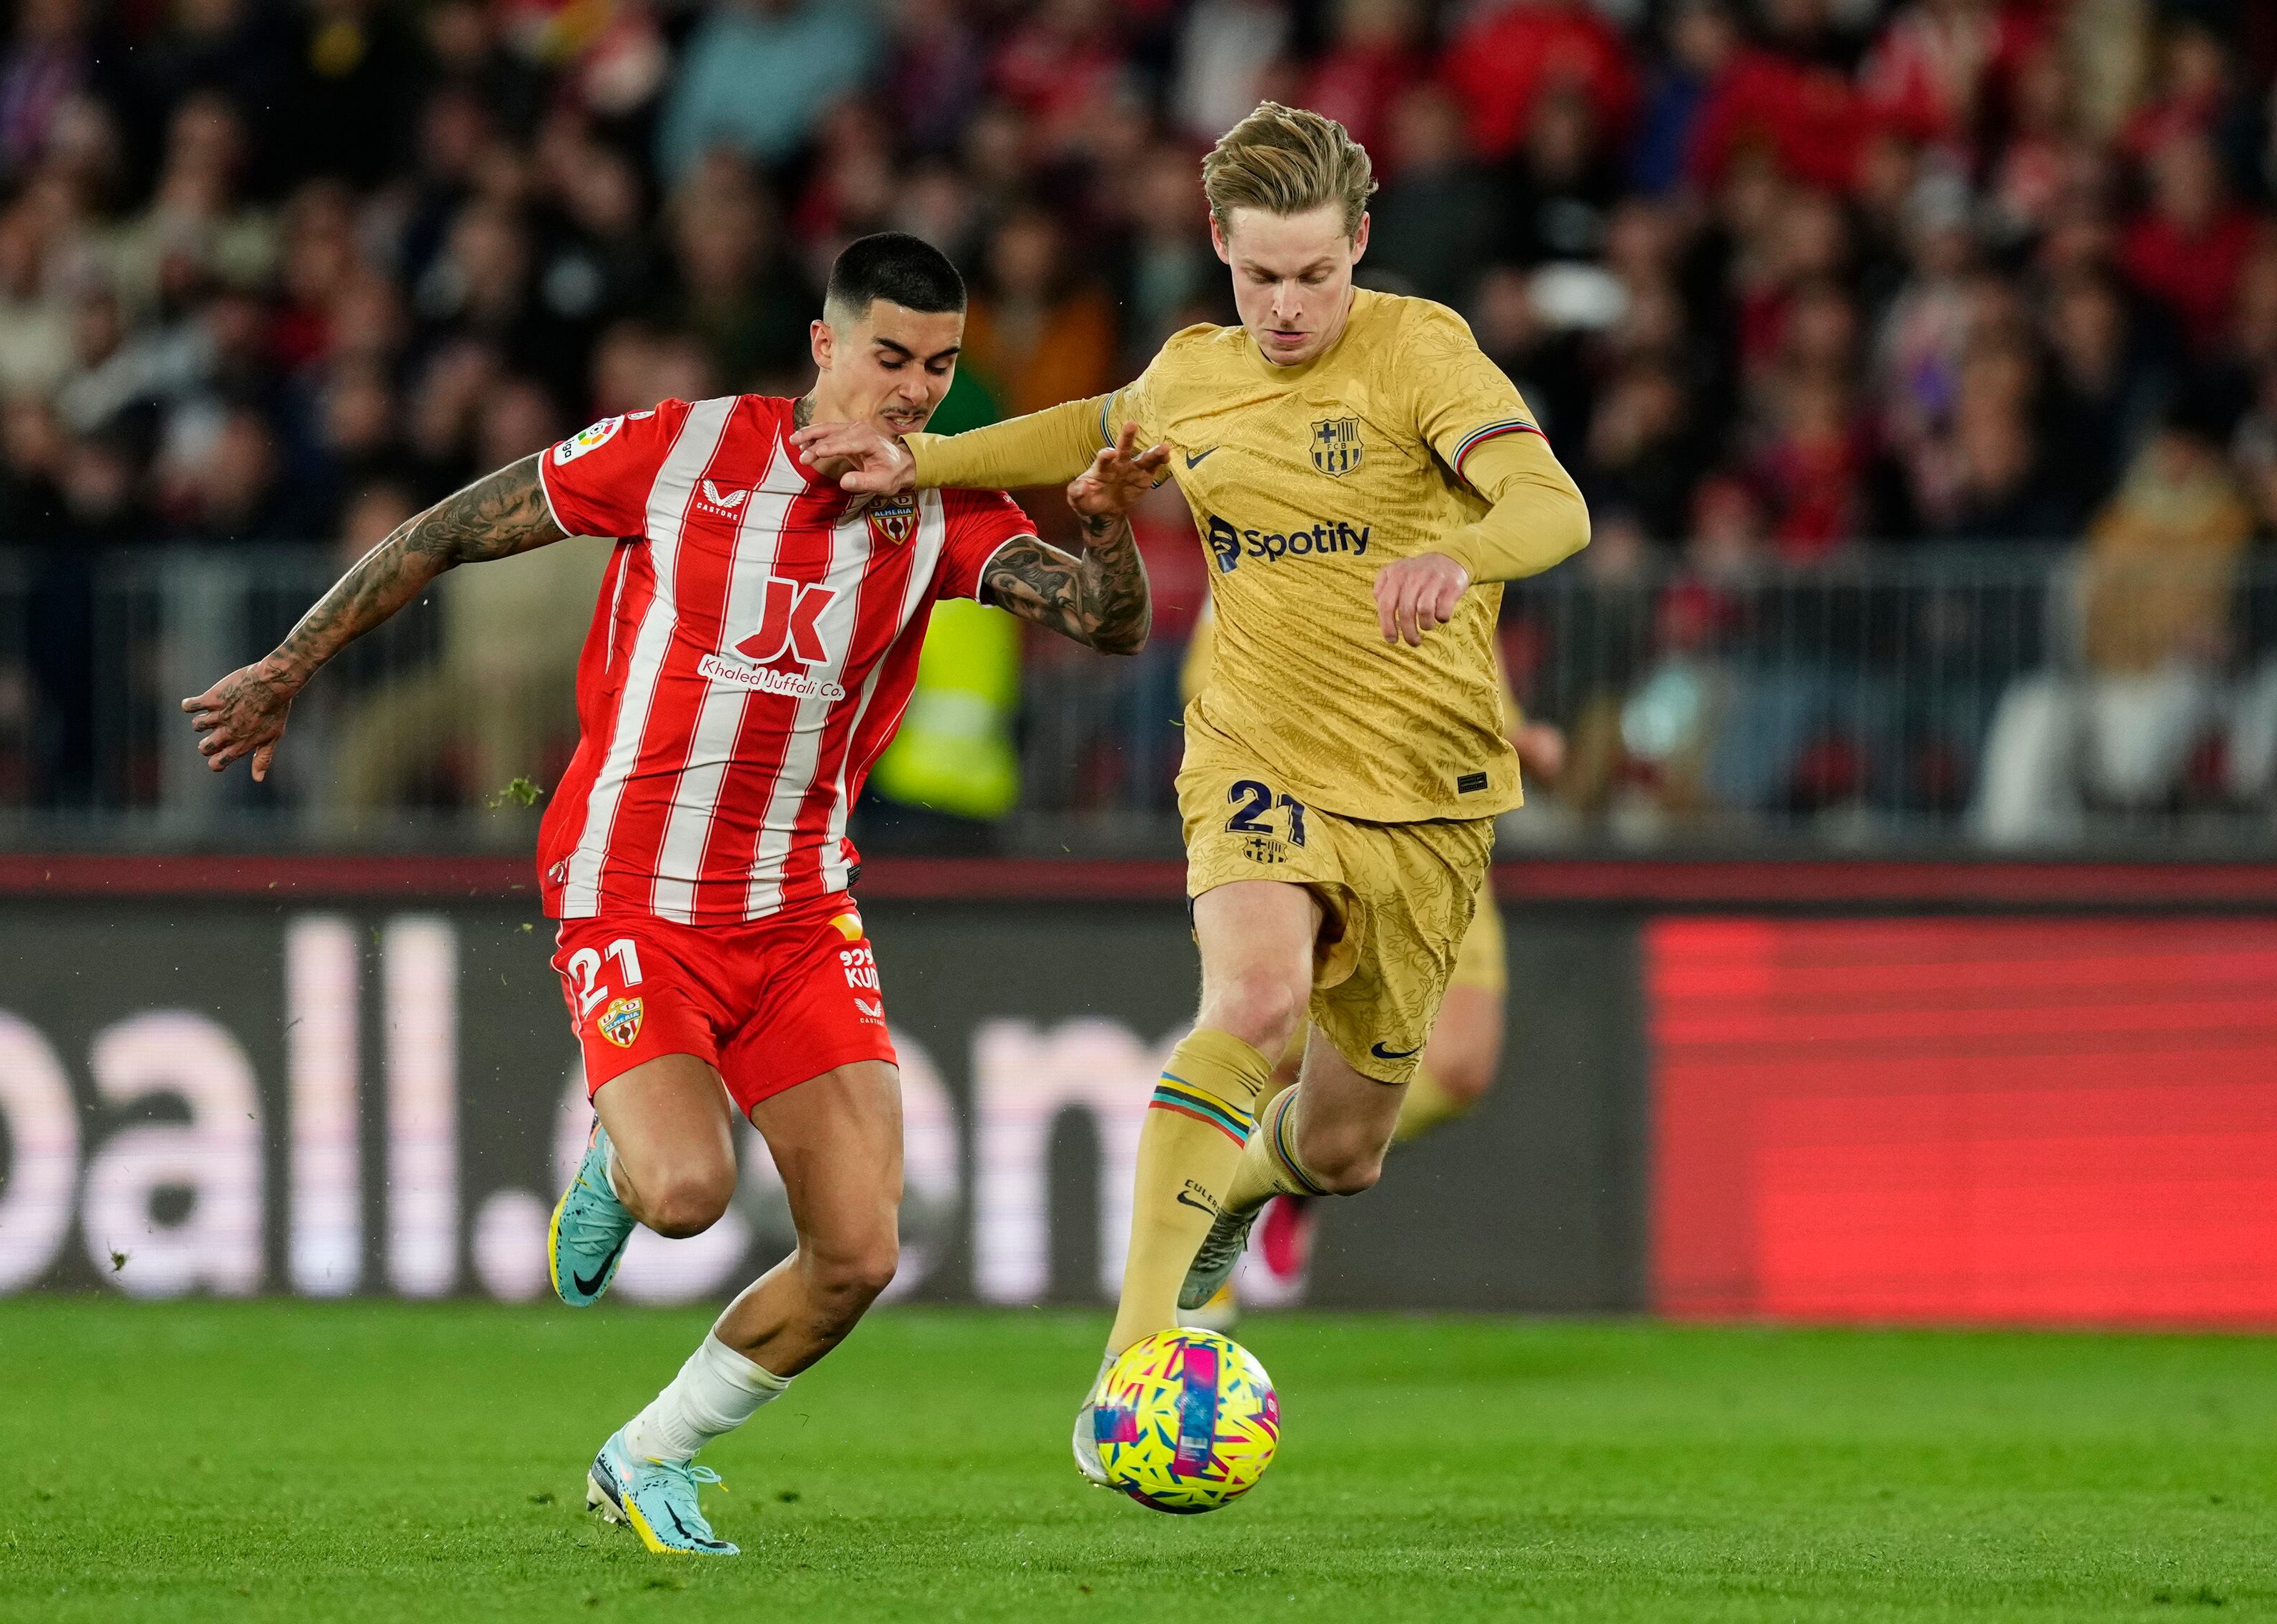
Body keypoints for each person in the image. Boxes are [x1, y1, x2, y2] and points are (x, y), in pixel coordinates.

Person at [181, 232, 1167, 1555]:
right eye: (888, 357)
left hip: (799, 908)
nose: (913, 391)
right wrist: (290, 663)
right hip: (630, 885)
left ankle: (647, 1453)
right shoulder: (684, 449)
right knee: (689, 1190)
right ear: (825, 345)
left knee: (860, 1256)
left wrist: (1099, 530)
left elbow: (1106, 624)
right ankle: (625, 1155)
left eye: (936, 365)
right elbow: (453, 527)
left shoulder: (934, 500)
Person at [795, 104, 1590, 1486]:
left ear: (1358, 243)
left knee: (1340, 1149)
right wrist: (918, 460)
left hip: (1425, 791)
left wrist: (1462, 550)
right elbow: (1091, 423)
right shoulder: (1193, 372)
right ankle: (1134, 1353)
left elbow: (1553, 506)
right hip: (1254, 755)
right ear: (1218, 246)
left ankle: (1238, 1193)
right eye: (1258, 274)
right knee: (1253, 1005)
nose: (1285, 307)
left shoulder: (1423, 353)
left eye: (1313, 274)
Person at [1176, 613, 1570, 1318]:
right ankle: (1197, 1246)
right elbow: (1217, 686)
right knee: (1267, 1045)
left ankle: (1269, 1175)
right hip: (1310, 832)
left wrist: (1518, 743)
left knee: (1457, 1068)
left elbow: (1477, 711)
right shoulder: (1276, 526)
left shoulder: (1455, 552)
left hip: (1440, 841)